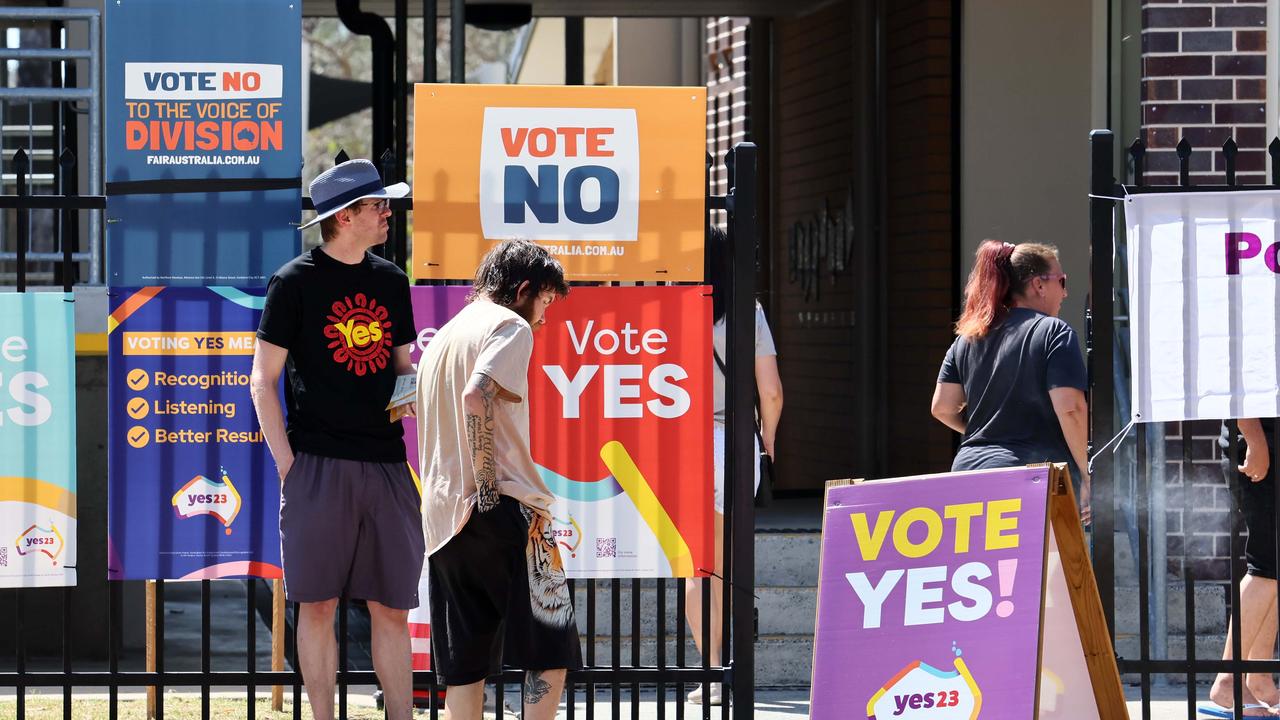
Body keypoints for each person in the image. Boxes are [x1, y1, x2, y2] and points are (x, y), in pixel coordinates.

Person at [249, 158, 421, 720]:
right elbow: (262, 381)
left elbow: (402, 369)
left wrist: (409, 401)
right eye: (378, 206)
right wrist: (288, 466)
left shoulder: (392, 280)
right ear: (345, 217)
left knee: (392, 607)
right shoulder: (293, 282)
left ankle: (400, 715)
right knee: (316, 606)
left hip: (387, 466)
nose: (388, 213)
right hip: (316, 464)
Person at [415, 239, 579, 720]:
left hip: (444, 520)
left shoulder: (445, 335)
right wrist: (488, 485)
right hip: (501, 506)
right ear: (524, 288)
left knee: (465, 665)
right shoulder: (510, 324)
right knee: (550, 650)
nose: (544, 318)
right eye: (545, 302)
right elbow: (476, 395)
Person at [683, 227, 784, 705]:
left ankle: (708, 674)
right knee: (726, 563)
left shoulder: (671, 309)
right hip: (734, 443)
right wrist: (768, 439)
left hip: (683, 443)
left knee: (697, 568)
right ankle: (729, 671)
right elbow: (771, 391)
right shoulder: (749, 311)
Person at [930, 240, 1090, 521]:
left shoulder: (968, 338)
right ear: (1039, 285)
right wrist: (1087, 475)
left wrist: (989, 428)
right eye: (1061, 282)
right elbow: (1071, 409)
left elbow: (942, 407)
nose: (1065, 293)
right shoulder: (1054, 332)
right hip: (1030, 480)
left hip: (966, 476)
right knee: (1041, 564)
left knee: (979, 565)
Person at [1207, 418, 1280, 718]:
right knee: (1265, 565)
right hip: (1261, 450)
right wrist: (1255, 440)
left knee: (1273, 567)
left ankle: (1258, 678)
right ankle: (1228, 680)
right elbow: (1240, 379)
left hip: (1267, 447)